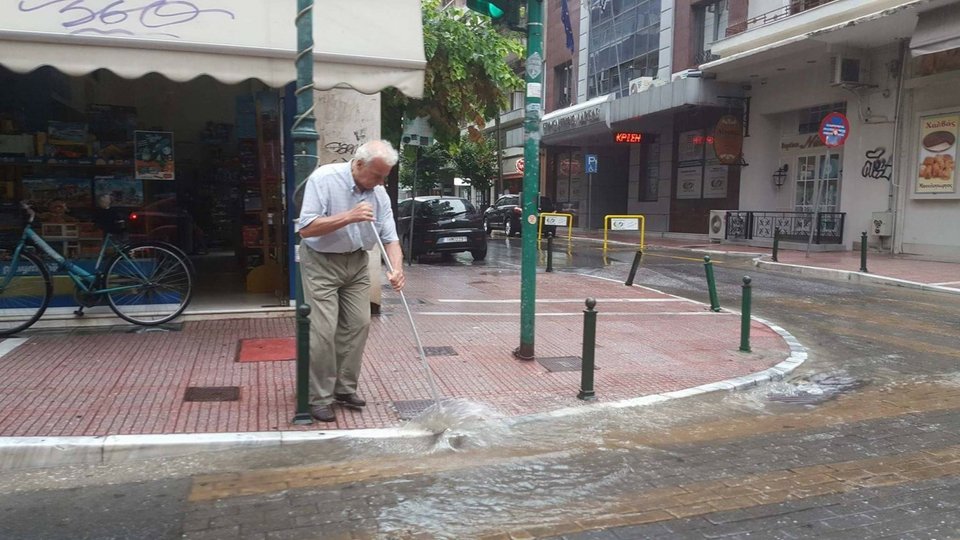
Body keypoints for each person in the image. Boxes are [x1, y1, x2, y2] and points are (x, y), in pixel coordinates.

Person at [296, 140, 405, 422]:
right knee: (323, 331)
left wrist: (396, 269)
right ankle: (318, 397)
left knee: (359, 323)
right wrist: (349, 216)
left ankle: (344, 388)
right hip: (321, 261)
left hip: (356, 262)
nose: (381, 183)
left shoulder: (379, 195)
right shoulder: (324, 179)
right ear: (358, 164)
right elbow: (306, 229)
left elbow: (390, 238)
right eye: (377, 176)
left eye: (384, 177)